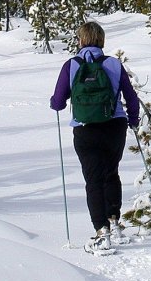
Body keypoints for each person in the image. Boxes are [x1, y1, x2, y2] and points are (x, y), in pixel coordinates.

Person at [50, 21, 140, 254]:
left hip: (85, 128)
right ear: (101, 40)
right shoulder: (113, 64)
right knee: (111, 173)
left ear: (80, 40)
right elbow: (131, 97)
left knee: (93, 180)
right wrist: (133, 120)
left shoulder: (71, 65)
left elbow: (58, 101)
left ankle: (101, 232)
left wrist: (55, 103)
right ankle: (114, 223)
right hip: (115, 126)